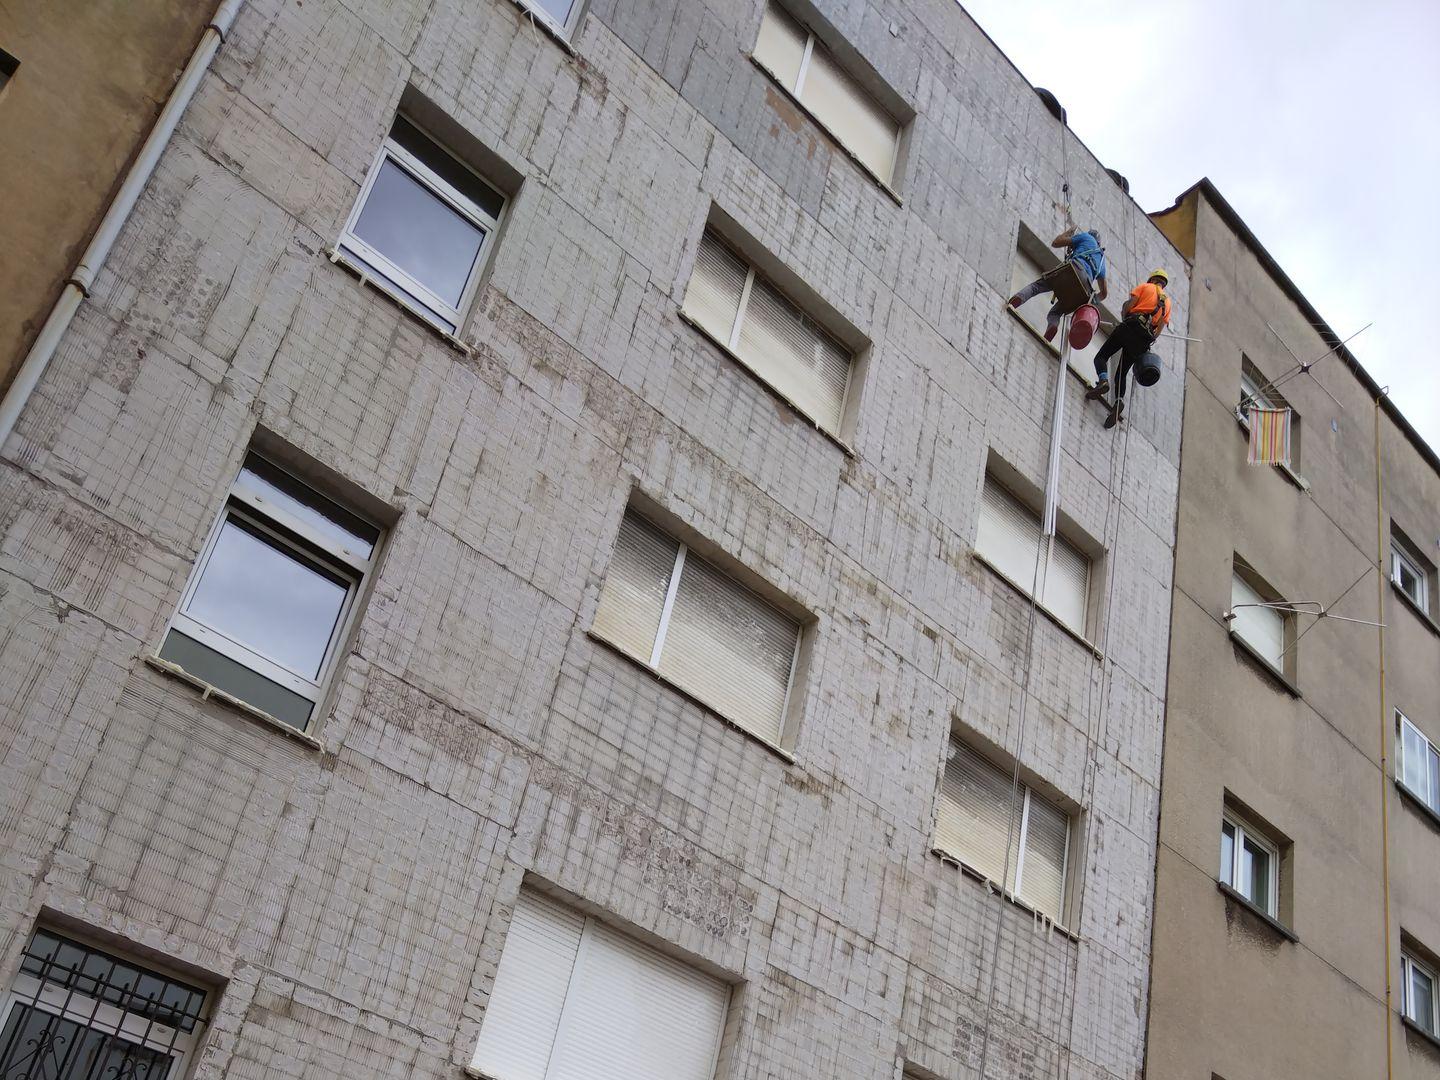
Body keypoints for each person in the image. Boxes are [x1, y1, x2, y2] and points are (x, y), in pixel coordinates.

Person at [1085, 268, 1172, 428]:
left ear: (1152, 279)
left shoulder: (1145, 287)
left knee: (1102, 357)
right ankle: (1118, 401)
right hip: (1143, 340)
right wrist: (1147, 338)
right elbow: (1158, 331)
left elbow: (1129, 306)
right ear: (1163, 284)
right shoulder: (1167, 303)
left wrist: (1125, 319)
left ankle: (1103, 380)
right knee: (1121, 373)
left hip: (1130, 326)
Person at [1006, 226, 1109, 341]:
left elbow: (1056, 242)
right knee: (1055, 313)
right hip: (1083, 290)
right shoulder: (1101, 260)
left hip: (1074, 271)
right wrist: (1092, 300)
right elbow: (1104, 293)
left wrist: (1068, 233)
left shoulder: (1086, 237)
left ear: (1090, 235)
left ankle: (1016, 300)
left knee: (1037, 287)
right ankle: (1052, 327)